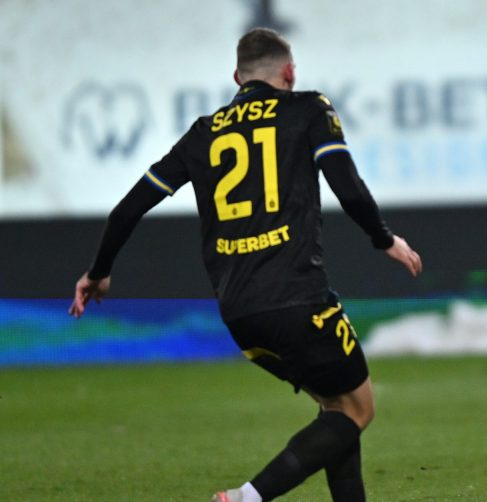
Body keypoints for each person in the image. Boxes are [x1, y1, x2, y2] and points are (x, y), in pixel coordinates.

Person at [68, 27, 422, 502]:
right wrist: (384, 239)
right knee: (357, 410)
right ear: (289, 72)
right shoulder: (307, 108)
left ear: (237, 77)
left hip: (239, 312)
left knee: (335, 408)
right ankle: (246, 497)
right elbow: (347, 184)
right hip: (299, 298)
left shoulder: (203, 133)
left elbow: (126, 211)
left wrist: (98, 272)